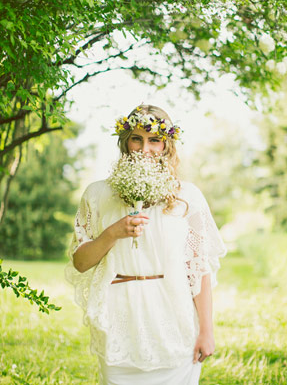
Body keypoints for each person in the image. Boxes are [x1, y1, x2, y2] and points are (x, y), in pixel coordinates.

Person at [65, 104, 226, 385]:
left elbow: (199, 271)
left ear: (166, 145)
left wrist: (206, 331)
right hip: (120, 318)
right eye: (136, 139)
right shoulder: (98, 194)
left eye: (154, 140)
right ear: (125, 142)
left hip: (174, 318)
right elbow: (80, 263)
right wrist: (112, 233)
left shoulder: (188, 196)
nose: (144, 148)